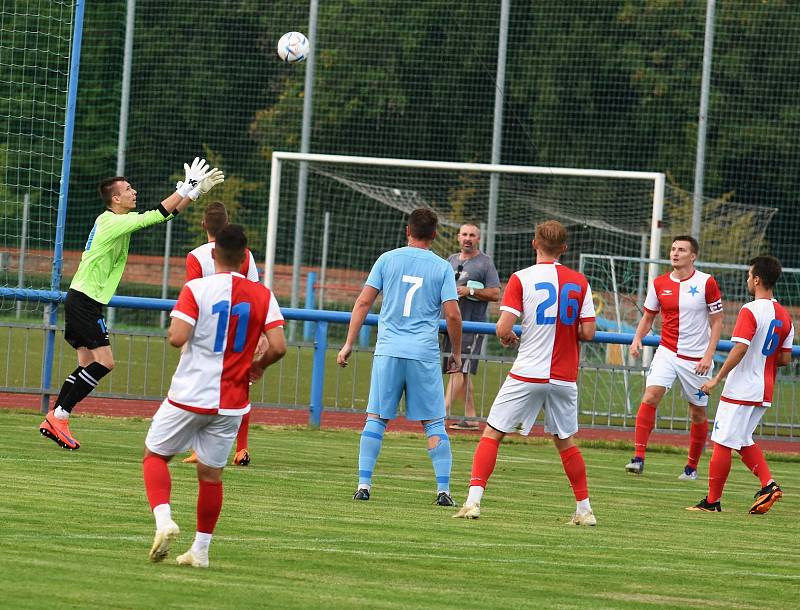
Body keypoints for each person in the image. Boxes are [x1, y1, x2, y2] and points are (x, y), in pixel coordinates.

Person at [39, 158, 224, 450]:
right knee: (105, 362)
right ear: (116, 198)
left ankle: (56, 418)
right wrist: (187, 188)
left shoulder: (113, 220)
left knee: (86, 364)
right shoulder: (110, 221)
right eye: (128, 189)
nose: (133, 191)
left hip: (83, 298)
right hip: (85, 300)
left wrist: (193, 193)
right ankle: (58, 415)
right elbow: (156, 214)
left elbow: (164, 215)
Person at [142, 224, 286, 568]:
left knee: (155, 456)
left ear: (213, 252)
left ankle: (164, 522)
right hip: (233, 399)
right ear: (245, 255)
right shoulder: (263, 294)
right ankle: (200, 551)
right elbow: (278, 346)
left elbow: (177, 337)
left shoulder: (197, 288)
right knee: (211, 475)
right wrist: (260, 366)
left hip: (190, 392)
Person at [453, 220, 598, 525]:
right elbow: (588, 332)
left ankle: (472, 502)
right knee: (566, 442)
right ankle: (584, 509)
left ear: (534, 244)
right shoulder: (580, 282)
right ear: (565, 248)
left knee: (492, 433)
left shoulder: (521, 278)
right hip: (563, 375)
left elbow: (504, 327)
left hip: (528, 371)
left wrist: (508, 337)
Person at [337, 208, 463, 506]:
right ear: (434, 234)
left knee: (377, 418)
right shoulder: (442, 267)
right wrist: (456, 352)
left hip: (390, 349)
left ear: (408, 231)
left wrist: (348, 343)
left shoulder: (387, 259)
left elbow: (364, 301)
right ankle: (443, 490)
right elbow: (453, 315)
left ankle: (363, 485)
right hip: (423, 352)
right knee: (434, 422)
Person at [688, 256, 793, 513]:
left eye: (749, 276)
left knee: (723, 442)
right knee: (743, 439)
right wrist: (762, 362)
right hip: (764, 388)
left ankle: (712, 502)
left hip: (742, 387)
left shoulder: (751, 309)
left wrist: (716, 378)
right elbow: (785, 358)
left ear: (757, 279)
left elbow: (741, 348)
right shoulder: (785, 316)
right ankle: (768, 485)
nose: (748, 280)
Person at [624, 236, 723, 479]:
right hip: (667, 352)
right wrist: (637, 339)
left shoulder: (706, 282)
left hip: (696, 358)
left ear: (693, 256)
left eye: (681, 250)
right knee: (650, 396)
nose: (675, 253)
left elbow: (717, 320)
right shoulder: (659, 283)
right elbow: (648, 318)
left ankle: (691, 468)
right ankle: (638, 457)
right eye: (673, 249)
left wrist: (709, 355)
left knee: (697, 412)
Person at [181, 201, 264, 467]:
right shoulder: (246, 255)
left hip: (207, 332)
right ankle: (241, 449)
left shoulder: (195, 256)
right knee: (239, 388)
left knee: (199, 389)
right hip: (239, 331)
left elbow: (191, 295)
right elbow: (254, 294)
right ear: (227, 224)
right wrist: (259, 333)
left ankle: (199, 448)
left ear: (204, 225)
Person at [442, 223, 500, 430]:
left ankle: (441, 412)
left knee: (458, 367)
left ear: (478, 239)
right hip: (451, 323)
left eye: (472, 235)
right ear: (458, 237)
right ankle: (472, 417)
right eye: (464, 234)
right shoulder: (451, 260)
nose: (468, 238)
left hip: (472, 324)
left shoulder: (485, 263)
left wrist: (471, 292)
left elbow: (495, 293)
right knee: (461, 371)